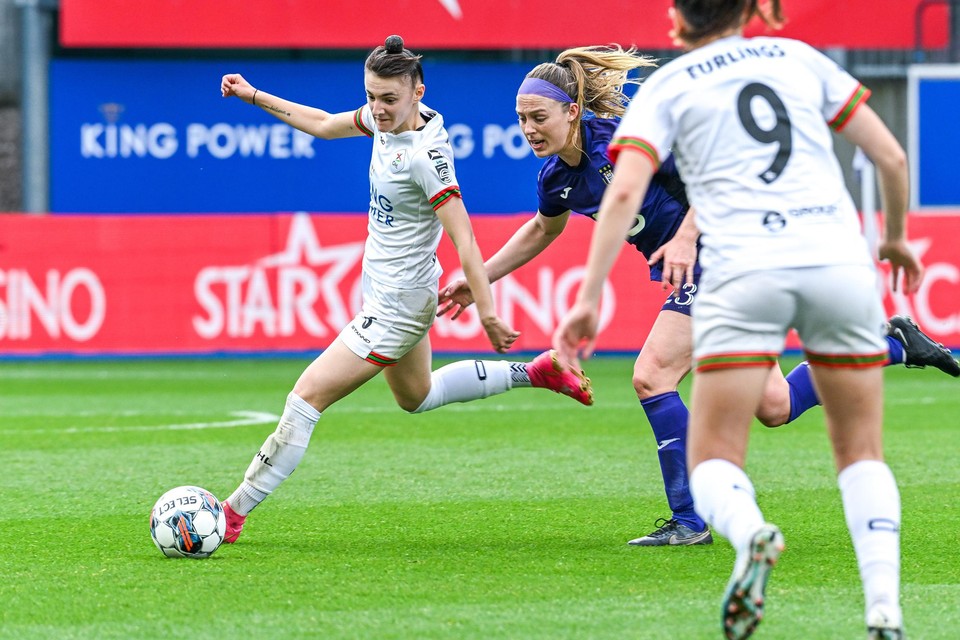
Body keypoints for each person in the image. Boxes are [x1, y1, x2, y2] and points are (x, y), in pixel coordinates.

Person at [438, 44, 958, 551]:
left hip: (724, 251)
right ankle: (892, 344)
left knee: (651, 374)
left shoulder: (623, 140)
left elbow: (715, 179)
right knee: (775, 406)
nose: (528, 128)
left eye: (538, 116)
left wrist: (686, 236)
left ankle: (691, 519)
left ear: (572, 111)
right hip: (711, 263)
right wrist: (480, 277)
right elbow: (540, 231)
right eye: (522, 118)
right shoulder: (557, 178)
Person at [553, 1, 923, 638]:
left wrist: (587, 299)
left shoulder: (668, 85)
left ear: (676, 16)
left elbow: (620, 193)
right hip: (833, 259)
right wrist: (895, 239)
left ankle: (749, 533)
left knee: (717, 454)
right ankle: (884, 608)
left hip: (743, 270)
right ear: (750, 8)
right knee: (856, 450)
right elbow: (890, 158)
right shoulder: (800, 58)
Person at [216, 35, 594, 544]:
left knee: (304, 399)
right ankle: (539, 372)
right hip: (387, 291)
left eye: (389, 99)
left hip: (399, 307)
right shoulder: (386, 119)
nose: (377, 109)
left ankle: (231, 513)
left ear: (418, 92)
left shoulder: (425, 156)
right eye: (372, 96)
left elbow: (463, 235)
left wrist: (487, 312)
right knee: (417, 396)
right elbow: (327, 125)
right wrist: (254, 95)